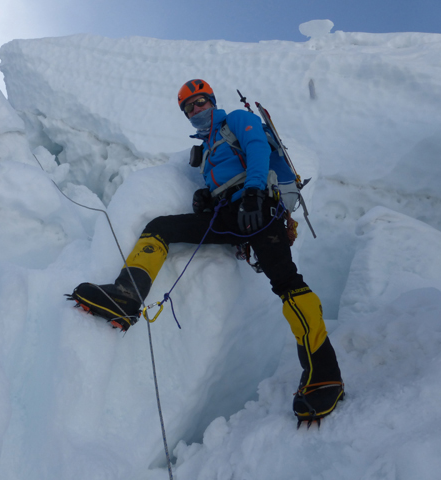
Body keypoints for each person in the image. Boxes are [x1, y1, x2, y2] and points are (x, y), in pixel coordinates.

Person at [70, 79, 344, 425]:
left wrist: (255, 193)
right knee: (161, 228)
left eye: (200, 103)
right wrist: (208, 198)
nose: (196, 110)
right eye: (189, 108)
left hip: (260, 210)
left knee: (287, 283)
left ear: (212, 101)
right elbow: (223, 180)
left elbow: (258, 148)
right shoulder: (208, 146)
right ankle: (126, 296)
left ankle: (325, 376)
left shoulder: (238, 122)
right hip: (230, 215)